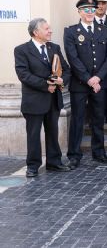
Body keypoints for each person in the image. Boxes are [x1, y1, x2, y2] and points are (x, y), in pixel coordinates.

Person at [14, 18, 71, 177]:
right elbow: (23, 74)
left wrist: (62, 81)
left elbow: (66, 70)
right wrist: (46, 84)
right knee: (33, 134)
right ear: (36, 32)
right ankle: (33, 166)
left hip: (53, 100)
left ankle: (54, 162)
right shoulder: (22, 50)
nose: (50, 31)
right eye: (47, 29)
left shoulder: (54, 47)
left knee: (53, 132)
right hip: (34, 100)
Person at [64, 0, 107, 168]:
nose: (90, 12)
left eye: (92, 9)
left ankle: (99, 152)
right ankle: (74, 155)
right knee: (78, 119)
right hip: (80, 83)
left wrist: (98, 78)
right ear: (79, 12)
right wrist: (88, 78)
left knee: (98, 118)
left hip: (100, 83)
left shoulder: (105, 30)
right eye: (86, 10)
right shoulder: (71, 31)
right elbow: (73, 58)